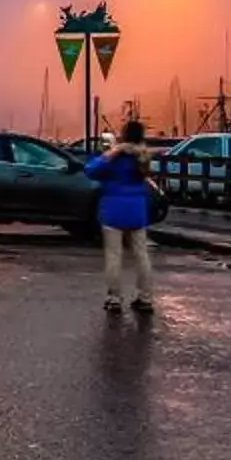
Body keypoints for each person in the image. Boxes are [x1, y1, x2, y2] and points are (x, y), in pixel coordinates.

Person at [87, 119, 158, 314]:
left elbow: (91, 170)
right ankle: (145, 298)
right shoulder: (142, 156)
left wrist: (113, 151)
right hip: (136, 210)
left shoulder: (116, 157)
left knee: (113, 256)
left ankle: (114, 298)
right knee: (142, 255)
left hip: (113, 210)